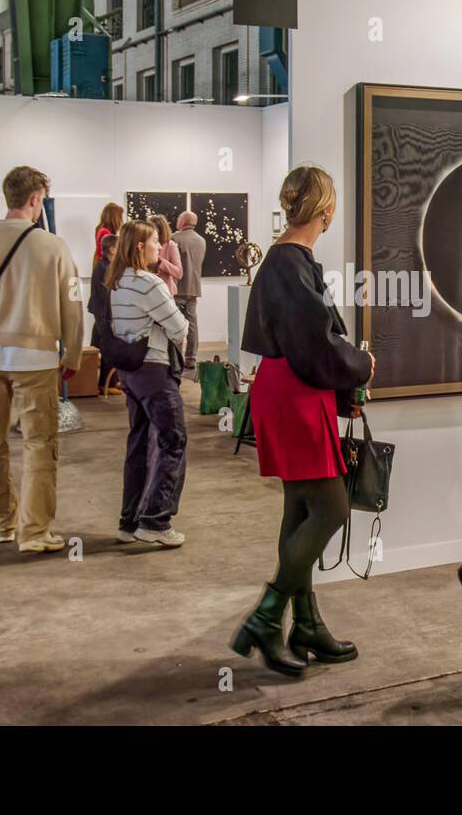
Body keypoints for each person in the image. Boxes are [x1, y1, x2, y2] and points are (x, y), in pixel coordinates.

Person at [233, 166, 375, 677]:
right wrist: (360, 366)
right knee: (332, 508)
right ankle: (269, 616)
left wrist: (343, 385)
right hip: (293, 396)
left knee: (299, 510)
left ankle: (307, 623)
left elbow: (313, 339)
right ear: (324, 210)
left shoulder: (289, 261)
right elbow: (315, 343)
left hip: (294, 391)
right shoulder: (288, 263)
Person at [0, 166, 83, 554]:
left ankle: (1, 522)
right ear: (36, 199)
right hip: (36, 357)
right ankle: (35, 531)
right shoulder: (53, 247)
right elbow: (72, 305)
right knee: (39, 443)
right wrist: (72, 352)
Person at [108, 220, 190, 546]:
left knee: (139, 443)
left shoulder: (116, 282)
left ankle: (129, 522)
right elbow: (180, 327)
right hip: (155, 372)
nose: (161, 246)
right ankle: (156, 522)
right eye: (156, 241)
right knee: (173, 441)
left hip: (131, 374)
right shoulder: (149, 284)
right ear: (140, 246)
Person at [171, 210, 206, 373]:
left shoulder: (174, 238)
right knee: (192, 324)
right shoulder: (201, 240)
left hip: (177, 288)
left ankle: (176, 358)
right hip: (193, 288)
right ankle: (191, 358)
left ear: (183, 222)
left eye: (179, 218)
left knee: (176, 324)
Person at [89, 233, 122, 397]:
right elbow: (103, 294)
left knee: (110, 346)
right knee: (108, 346)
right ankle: (105, 384)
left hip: (104, 312)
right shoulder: (104, 267)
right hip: (103, 313)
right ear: (112, 249)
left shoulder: (106, 265)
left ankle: (113, 381)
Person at [147, 214, 183, 297]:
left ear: (160, 230)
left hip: (165, 292)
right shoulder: (145, 244)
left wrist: (161, 261)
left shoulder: (170, 245)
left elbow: (179, 273)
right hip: (148, 291)